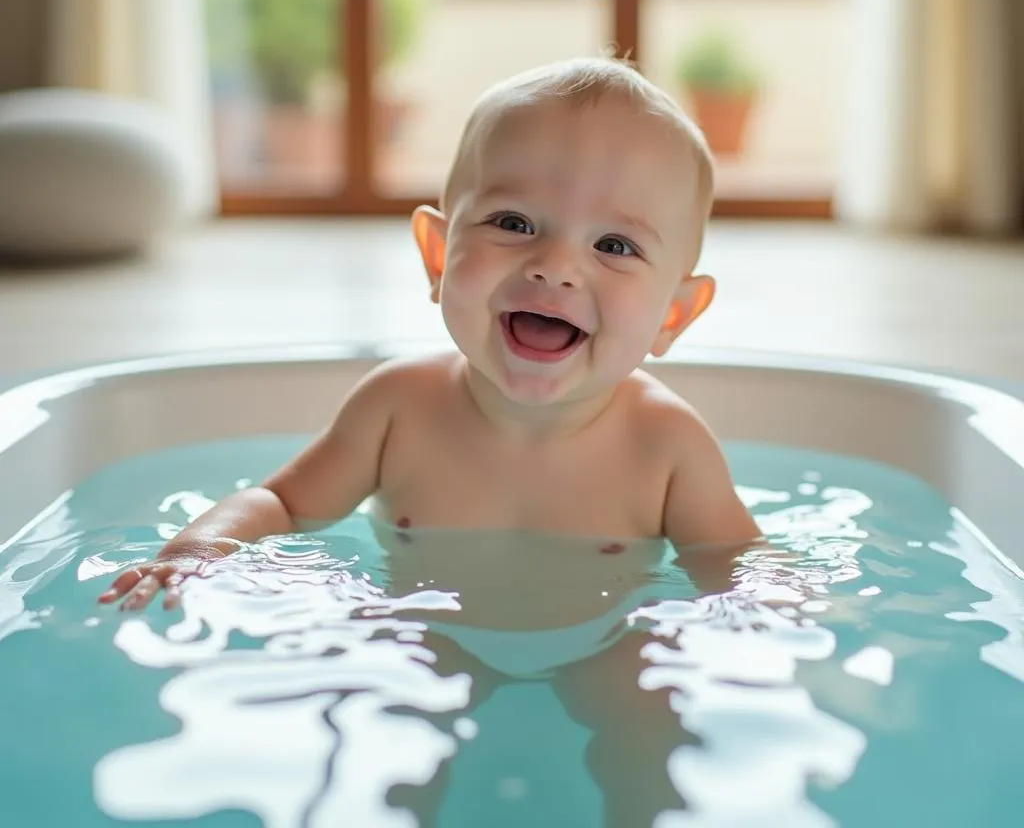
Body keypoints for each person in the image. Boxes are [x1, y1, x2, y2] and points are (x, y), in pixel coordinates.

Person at [100, 55, 762, 825]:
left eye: (615, 246)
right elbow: (281, 499)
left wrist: (775, 614)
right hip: (429, 628)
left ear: (674, 316)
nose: (555, 267)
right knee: (389, 729)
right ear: (439, 255)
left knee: (651, 734)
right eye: (514, 224)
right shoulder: (397, 406)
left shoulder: (667, 443)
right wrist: (201, 546)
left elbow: (738, 565)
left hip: (609, 641)